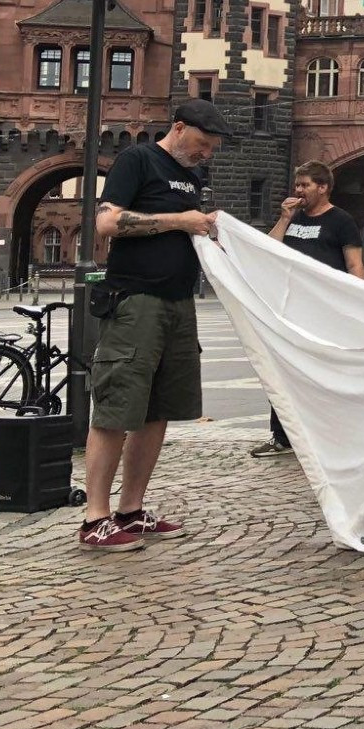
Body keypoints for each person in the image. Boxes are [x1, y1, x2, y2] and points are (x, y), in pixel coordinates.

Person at [79, 98, 231, 551]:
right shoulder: (138, 159)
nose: (207, 154)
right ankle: (95, 518)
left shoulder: (192, 176)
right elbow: (106, 223)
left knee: (157, 410)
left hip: (178, 302)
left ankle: (131, 509)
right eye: (203, 144)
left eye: (212, 148)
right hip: (136, 301)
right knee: (116, 408)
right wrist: (177, 221)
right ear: (179, 128)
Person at [251, 160, 364, 459]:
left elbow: (354, 265)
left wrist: (357, 304)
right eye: (297, 185)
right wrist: (285, 218)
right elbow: (268, 251)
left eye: (305, 185)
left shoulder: (341, 221)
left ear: (323, 187)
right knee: (282, 370)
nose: (299, 191)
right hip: (290, 309)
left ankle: (327, 434)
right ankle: (281, 436)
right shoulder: (294, 218)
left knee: (322, 373)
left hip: (325, 311)